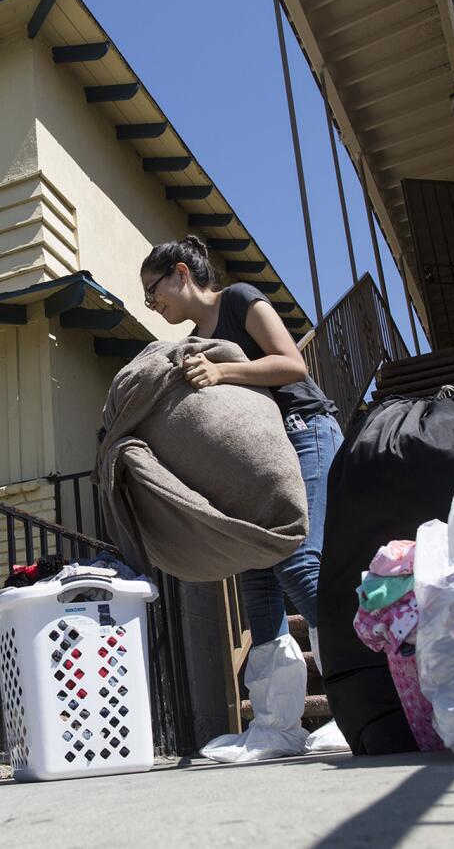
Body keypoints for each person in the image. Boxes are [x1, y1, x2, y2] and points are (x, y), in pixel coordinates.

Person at [139, 234, 342, 668]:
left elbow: (291, 364)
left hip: (303, 429)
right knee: (255, 575)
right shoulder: (193, 341)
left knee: (295, 557)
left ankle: (358, 687)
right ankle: (275, 721)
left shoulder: (238, 299)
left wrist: (221, 370)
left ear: (180, 273)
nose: (152, 304)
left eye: (152, 291)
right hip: (261, 457)